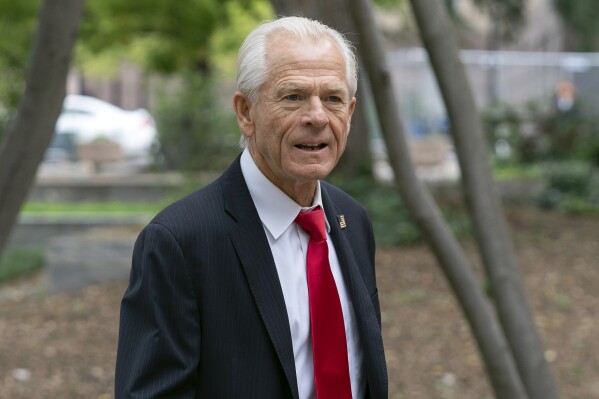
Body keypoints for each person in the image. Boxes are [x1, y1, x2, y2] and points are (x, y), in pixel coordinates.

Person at [115, 16, 388, 399]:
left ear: (351, 111)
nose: (317, 117)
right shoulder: (180, 241)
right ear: (246, 112)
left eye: (333, 98)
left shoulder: (352, 222)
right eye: (293, 96)